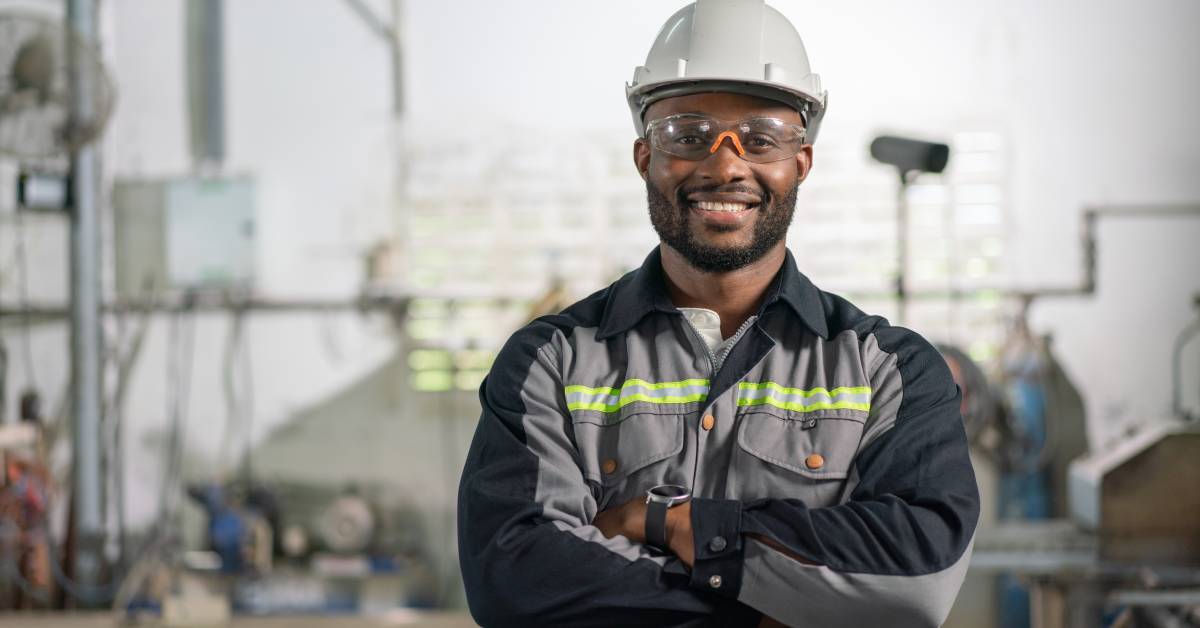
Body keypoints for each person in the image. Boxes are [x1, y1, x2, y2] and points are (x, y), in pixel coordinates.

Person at [457, 1, 979, 626]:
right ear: (645, 156)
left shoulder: (891, 371)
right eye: (687, 134)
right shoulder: (549, 362)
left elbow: (918, 577)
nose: (726, 164)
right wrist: (765, 612)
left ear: (800, 164)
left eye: (761, 138)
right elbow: (513, 577)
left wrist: (675, 525)